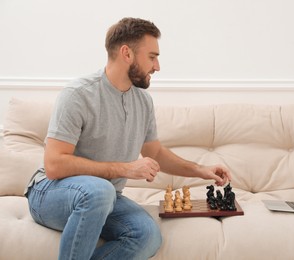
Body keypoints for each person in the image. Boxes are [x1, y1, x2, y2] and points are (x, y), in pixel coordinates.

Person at [25, 17, 231, 260]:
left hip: (106, 198)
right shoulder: (78, 95)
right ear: (127, 53)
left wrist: (200, 170)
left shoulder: (143, 102)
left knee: (147, 235)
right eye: (152, 57)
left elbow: (155, 153)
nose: (157, 66)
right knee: (100, 191)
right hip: (50, 194)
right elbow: (54, 165)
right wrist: (126, 168)